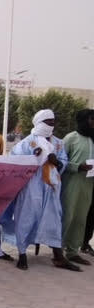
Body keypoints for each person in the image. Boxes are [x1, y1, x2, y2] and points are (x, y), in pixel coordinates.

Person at [2, 109, 76, 271]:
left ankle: (58, 256)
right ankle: (22, 254)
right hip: (31, 188)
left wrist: (56, 162)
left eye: (53, 122)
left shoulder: (58, 143)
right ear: (39, 123)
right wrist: (33, 157)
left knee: (54, 219)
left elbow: (63, 161)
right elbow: (16, 162)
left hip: (51, 187)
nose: (52, 125)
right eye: (48, 122)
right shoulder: (27, 143)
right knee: (26, 217)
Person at [61, 109, 94, 266]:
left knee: (81, 218)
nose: (93, 123)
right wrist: (77, 166)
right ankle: (58, 250)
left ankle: (73, 251)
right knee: (67, 216)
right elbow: (60, 162)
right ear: (83, 121)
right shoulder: (70, 138)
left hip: (88, 185)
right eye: (91, 120)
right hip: (72, 182)